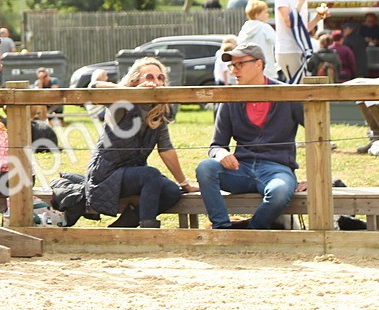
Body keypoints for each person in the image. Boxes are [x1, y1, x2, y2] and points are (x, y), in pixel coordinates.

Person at [195, 43, 305, 229]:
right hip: (241, 169)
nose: (234, 71)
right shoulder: (229, 98)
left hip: (277, 169)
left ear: (259, 64)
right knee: (205, 168)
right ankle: (222, 229)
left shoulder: (287, 94)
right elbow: (216, 145)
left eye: (240, 65)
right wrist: (221, 154)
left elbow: (319, 135)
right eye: (232, 66)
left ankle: (251, 229)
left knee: (279, 191)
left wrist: (314, 178)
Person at [85, 58, 194, 228]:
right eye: (149, 77)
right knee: (150, 175)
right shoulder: (122, 103)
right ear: (136, 81)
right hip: (106, 174)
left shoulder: (159, 110)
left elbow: (166, 149)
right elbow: (93, 87)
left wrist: (184, 184)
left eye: (160, 78)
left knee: (172, 192)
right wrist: (132, 92)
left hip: (133, 174)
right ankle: (148, 229)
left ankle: (125, 224)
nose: (156, 82)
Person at [275, 0, 329, 82]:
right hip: (287, 50)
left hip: (300, 49)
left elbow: (302, 30)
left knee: (302, 86)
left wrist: (317, 18)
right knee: (297, 88)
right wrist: (300, 2)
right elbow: (289, 23)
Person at [237, 0, 278, 79]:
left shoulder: (244, 30)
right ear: (257, 15)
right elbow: (277, 42)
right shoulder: (265, 27)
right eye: (265, 12)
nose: (268, 15)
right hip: (266, 71)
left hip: (248, 71)